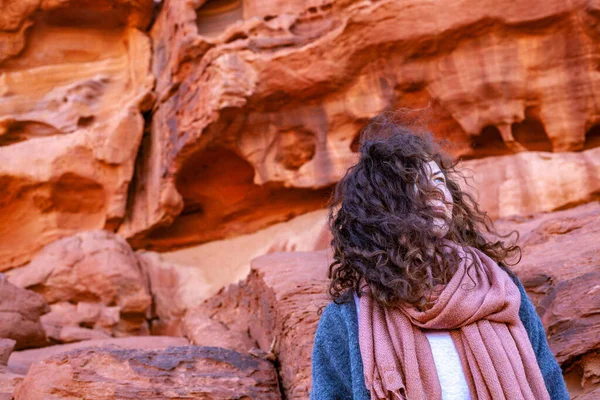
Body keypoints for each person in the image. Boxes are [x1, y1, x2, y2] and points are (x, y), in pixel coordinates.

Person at [310, 114, 569, 400]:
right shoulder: (347, 318)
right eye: (417, 184)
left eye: (438, 180)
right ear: (382, 206)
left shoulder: (498, 287)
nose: (436, 191)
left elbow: (550, 383)